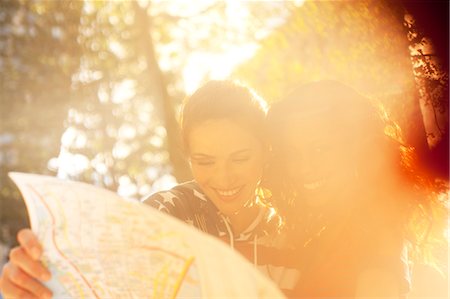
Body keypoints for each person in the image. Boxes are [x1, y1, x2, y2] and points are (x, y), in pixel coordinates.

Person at [0, 80, 297, 298]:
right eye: (204, 161)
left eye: (240, 158)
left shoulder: (295, 229)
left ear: (266, 151)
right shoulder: (167, 214)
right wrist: (34, 283)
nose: (224, 177)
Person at [265, 80, 447, 298]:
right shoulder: (338, 229)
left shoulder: (374, 242)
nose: (303, 166)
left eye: (320, 149)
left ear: (358, 150)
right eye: (293, 152)